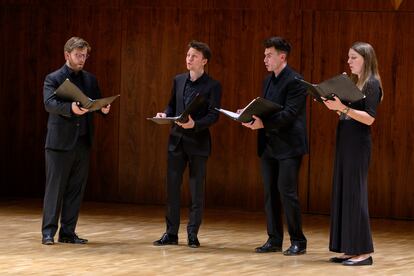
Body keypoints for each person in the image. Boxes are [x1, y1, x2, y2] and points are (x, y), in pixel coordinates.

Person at [241, 37, 308, 255]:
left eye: (269, 55)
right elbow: (266, 108)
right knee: (270, 192)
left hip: (289, 146)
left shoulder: (296, 81)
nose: (265, 59)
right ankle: (274, 239)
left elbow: (289, 114)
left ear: (282, 56)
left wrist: (263, 123)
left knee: (287, 192)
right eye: (264, 55)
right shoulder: (268, 80)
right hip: (269, 144)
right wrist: (249, 114)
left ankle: (298, 240)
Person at [41, 37, 111, 245]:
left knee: (75, 190)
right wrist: (69, 109)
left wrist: (103, 109)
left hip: (82, 143)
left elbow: (95, 101)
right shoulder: (53, 78)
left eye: (84, 55)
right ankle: (48, 233)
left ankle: (68, 232)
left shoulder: (90, 79)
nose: (82, 59)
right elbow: (49, 103)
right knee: (55, 189)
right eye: (78, 55)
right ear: (67, 55)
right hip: (59, 143)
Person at [152, 40, 222, 248]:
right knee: (172, 189)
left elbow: (213, 116)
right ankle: (171, 233)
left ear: (204, 61)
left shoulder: (213, 85)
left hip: (198, 142)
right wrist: (165, 113)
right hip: (176, 141)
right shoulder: (178, 80)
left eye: (194, 56)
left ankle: (193, 233)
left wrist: (195, 124)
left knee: (196, 190)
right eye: (188, 55)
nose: (189, 59)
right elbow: (172, 104)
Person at [323, 42, 382, 266]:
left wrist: (344, 108)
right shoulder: (356, 83)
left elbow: (369, 118)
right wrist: (334, 105)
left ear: (366, 59)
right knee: (344, 193)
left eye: (353, 58)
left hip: (358, 145)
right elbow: (348, 113)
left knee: (355, 196)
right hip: (345, 142)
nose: (349, 61)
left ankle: (364, 252)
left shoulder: (372, 84)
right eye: (348, 57)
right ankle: (349, 248)